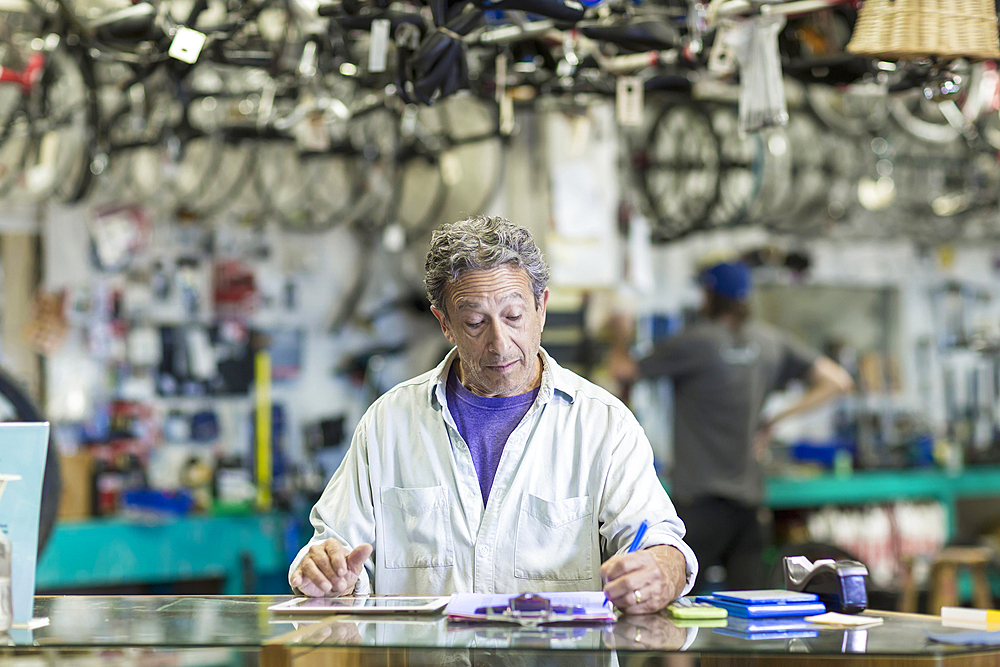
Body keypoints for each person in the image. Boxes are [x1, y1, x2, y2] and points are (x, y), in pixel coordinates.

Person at [289, 215, 697, 613]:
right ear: (444, 323)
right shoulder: (388, 425)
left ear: (542, 308)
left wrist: (663, 568)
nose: (499, 344)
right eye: (474, 322)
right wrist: (327, 573)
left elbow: (660, 542)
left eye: (514, 317)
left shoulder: (604, 425)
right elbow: (334, 548)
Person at [607, 261, 854, 593]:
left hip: (699, 506)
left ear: (709, 295)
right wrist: (774, 420)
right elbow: (838, 381)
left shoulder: (695, 342)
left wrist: (619, 332)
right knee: (748, 609)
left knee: (674, 603)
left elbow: (622, 370)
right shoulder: (771, 342)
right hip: (749, 508)